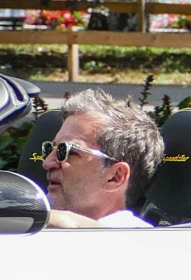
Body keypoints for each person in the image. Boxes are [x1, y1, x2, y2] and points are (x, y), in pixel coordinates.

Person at [39, 88, 163, 228]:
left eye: (67, 151)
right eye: (50, 149)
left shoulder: (142, 244)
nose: (47, 163)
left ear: (115, 177)